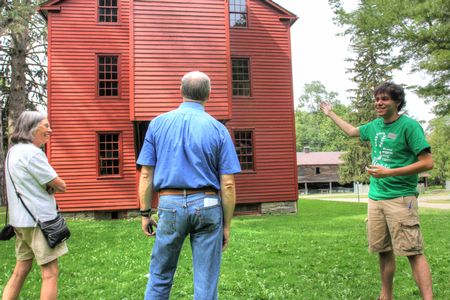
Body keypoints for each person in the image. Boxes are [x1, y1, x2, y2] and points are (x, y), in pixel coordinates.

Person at [321, 82, 434, 300]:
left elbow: (427, 163)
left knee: (413, 252)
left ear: (397, 102)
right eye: (377, 99)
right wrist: (330, 113)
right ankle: (386, 296)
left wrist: (389, 172)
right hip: (376, 198)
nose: (379, 103)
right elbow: (352, 131)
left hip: (401, 198)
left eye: (384, 99)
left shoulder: (409, 126)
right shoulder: (375, 126)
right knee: (383, 249)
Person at [137, 71, 241, 300]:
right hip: (208, 205)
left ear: (181, 92)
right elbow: (229, 184)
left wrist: (145, 213)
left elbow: (146, 174)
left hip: (169, 204)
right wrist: (226, 226)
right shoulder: (218, 129)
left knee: (160, 275)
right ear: (208, 95)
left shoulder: (157, 124)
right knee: (205, 282)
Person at [2, 111, 67, 300]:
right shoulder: (33, 153)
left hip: (19, 221)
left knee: (21, 269)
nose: (50, 130)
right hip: (38, 221)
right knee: (50, 272)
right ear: (32, 129)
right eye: (45, 126)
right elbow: (60, 184)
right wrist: (54, 186)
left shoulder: (13, 151)